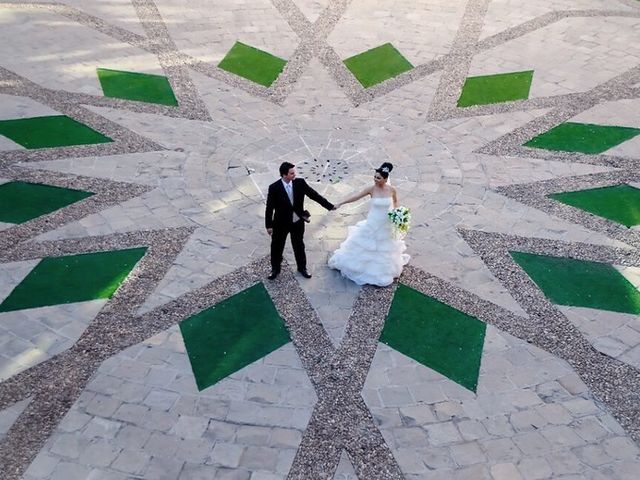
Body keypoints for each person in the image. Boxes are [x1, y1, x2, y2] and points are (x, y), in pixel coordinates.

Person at [328, 162, 410, 286]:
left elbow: (395, 202)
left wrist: (398, 214)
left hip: (385, 223)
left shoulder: (392, 190)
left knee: (384, 247)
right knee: (366, 245)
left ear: (386, 179)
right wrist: (341, 203)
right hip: (373, 222)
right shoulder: (371, 189)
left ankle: (380, 270)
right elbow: (356, 196)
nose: (376, 180)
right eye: (375, 177)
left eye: (379, 178)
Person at [266, 162, 335, 280]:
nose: (294, 175)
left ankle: (302, 267)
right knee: (277, 247)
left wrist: (329, 206)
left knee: (299, 245)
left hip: (297, 221)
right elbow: (269, 208)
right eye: (291, 173)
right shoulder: (274, 188)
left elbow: (314, 195)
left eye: (294, 172)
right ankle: (275, 269)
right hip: (280, 223)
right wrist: (269, 225)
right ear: (284, 175)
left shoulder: (300, 183)